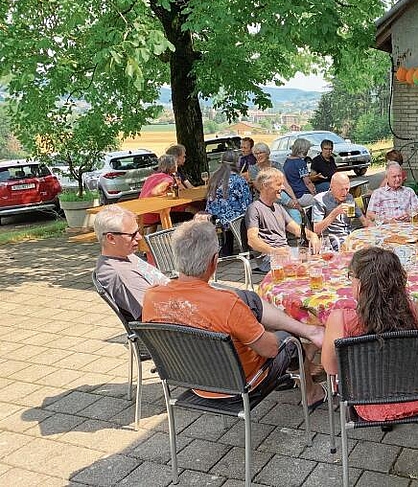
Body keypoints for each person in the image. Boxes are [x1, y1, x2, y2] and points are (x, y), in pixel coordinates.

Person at [142, 220, 326, 408]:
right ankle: (312, 393)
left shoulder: (151, 297)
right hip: (241, 386)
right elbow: (270, 349)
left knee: (249, 298)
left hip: (191, 381)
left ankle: (308, 334)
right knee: (290, 341)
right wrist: (256, 329)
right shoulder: (227, 304)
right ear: (214, 261)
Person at [93, 205, 325, 348]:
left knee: (245, 299)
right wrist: (204, 300)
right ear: (110, 238)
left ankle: (299, 334)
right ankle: (299, 339)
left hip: (184, 298)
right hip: (187, 331)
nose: (139, 238)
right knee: (243, 303)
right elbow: (155, 317)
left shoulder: (123, 257)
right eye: (132, 234)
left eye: (139, 232)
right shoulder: (118, 272)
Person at [321, 247, 418, 422]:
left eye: (351, 276)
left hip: (368, 403)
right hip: (417, 396)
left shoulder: (340, 319)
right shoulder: (414, 310)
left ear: (361, 284)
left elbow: (331, 369)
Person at [245, 168, 321, 271]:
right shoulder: (254, 208)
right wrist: (274, 251)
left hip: (286, 253)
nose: (283, 187)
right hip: (270, 258)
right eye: (279, 184)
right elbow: (252, 240)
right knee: (308, 266)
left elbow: (296, 229)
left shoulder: (278, 207)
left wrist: (313, 235)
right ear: (265, 186)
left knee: (319, 259)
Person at [205, 150, 253, 255]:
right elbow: (247, 203)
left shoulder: (214, 178)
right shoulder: (238, 180)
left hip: (215, 218)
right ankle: (250, 248)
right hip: (234, 221)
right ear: (237, 162)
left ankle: (225, 250)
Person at [247, 142, 303, 225]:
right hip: (264, 197)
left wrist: (294, 200)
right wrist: (289, 201)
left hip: (280, 194)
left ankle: (300, 234)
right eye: (256, 153)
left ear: (267, 153)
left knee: (295, 211)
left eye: (261, 152)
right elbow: (260, 188)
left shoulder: (276, 165)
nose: (258, 155)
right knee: (287, 202)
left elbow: (286, 184)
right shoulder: (253, 169)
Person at [312, 172, 371, 248]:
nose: (345, 193)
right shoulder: (320, 200)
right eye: (341, 189)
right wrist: (335, 213)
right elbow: (316, 230)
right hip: (333, 240)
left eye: (347, 189)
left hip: (350, 235)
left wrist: (373, 229)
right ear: (331, 187)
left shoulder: (349, 197)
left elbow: (363, 220)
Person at [138, 154, 180, 230]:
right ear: (172, 166)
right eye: (176, 164)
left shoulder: (152, 177)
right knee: (187, 209)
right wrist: (168, 194)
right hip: (153, 214)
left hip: (143, 212)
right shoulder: (168, 179)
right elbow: (154, 192)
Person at [283, 138, 316, 208]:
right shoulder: (300, 163)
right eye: (307, 149)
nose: (308, 151)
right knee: (321, 202)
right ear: (303, 150)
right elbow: (307, 182)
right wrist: (314, 194)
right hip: (301, 195)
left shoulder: (287, 161)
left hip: (292, 194)